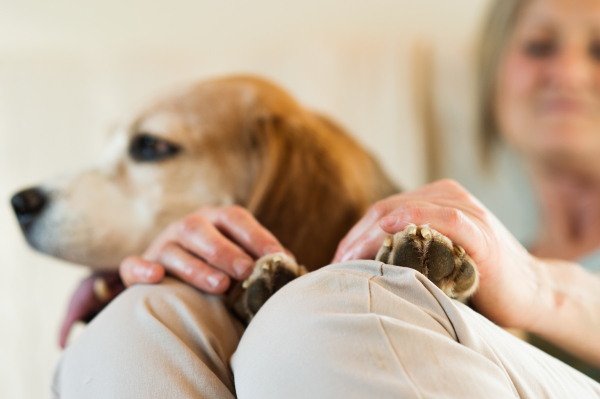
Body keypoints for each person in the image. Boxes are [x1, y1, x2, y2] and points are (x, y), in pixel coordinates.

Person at [51, 0, 600, 397]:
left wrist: (545, 290)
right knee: (144, 321)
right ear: (495, 77)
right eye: (539, 46)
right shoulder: (449, 236)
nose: (568, 72)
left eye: (599, 49)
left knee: (327, 314)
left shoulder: (508, 267)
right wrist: (185, 271)